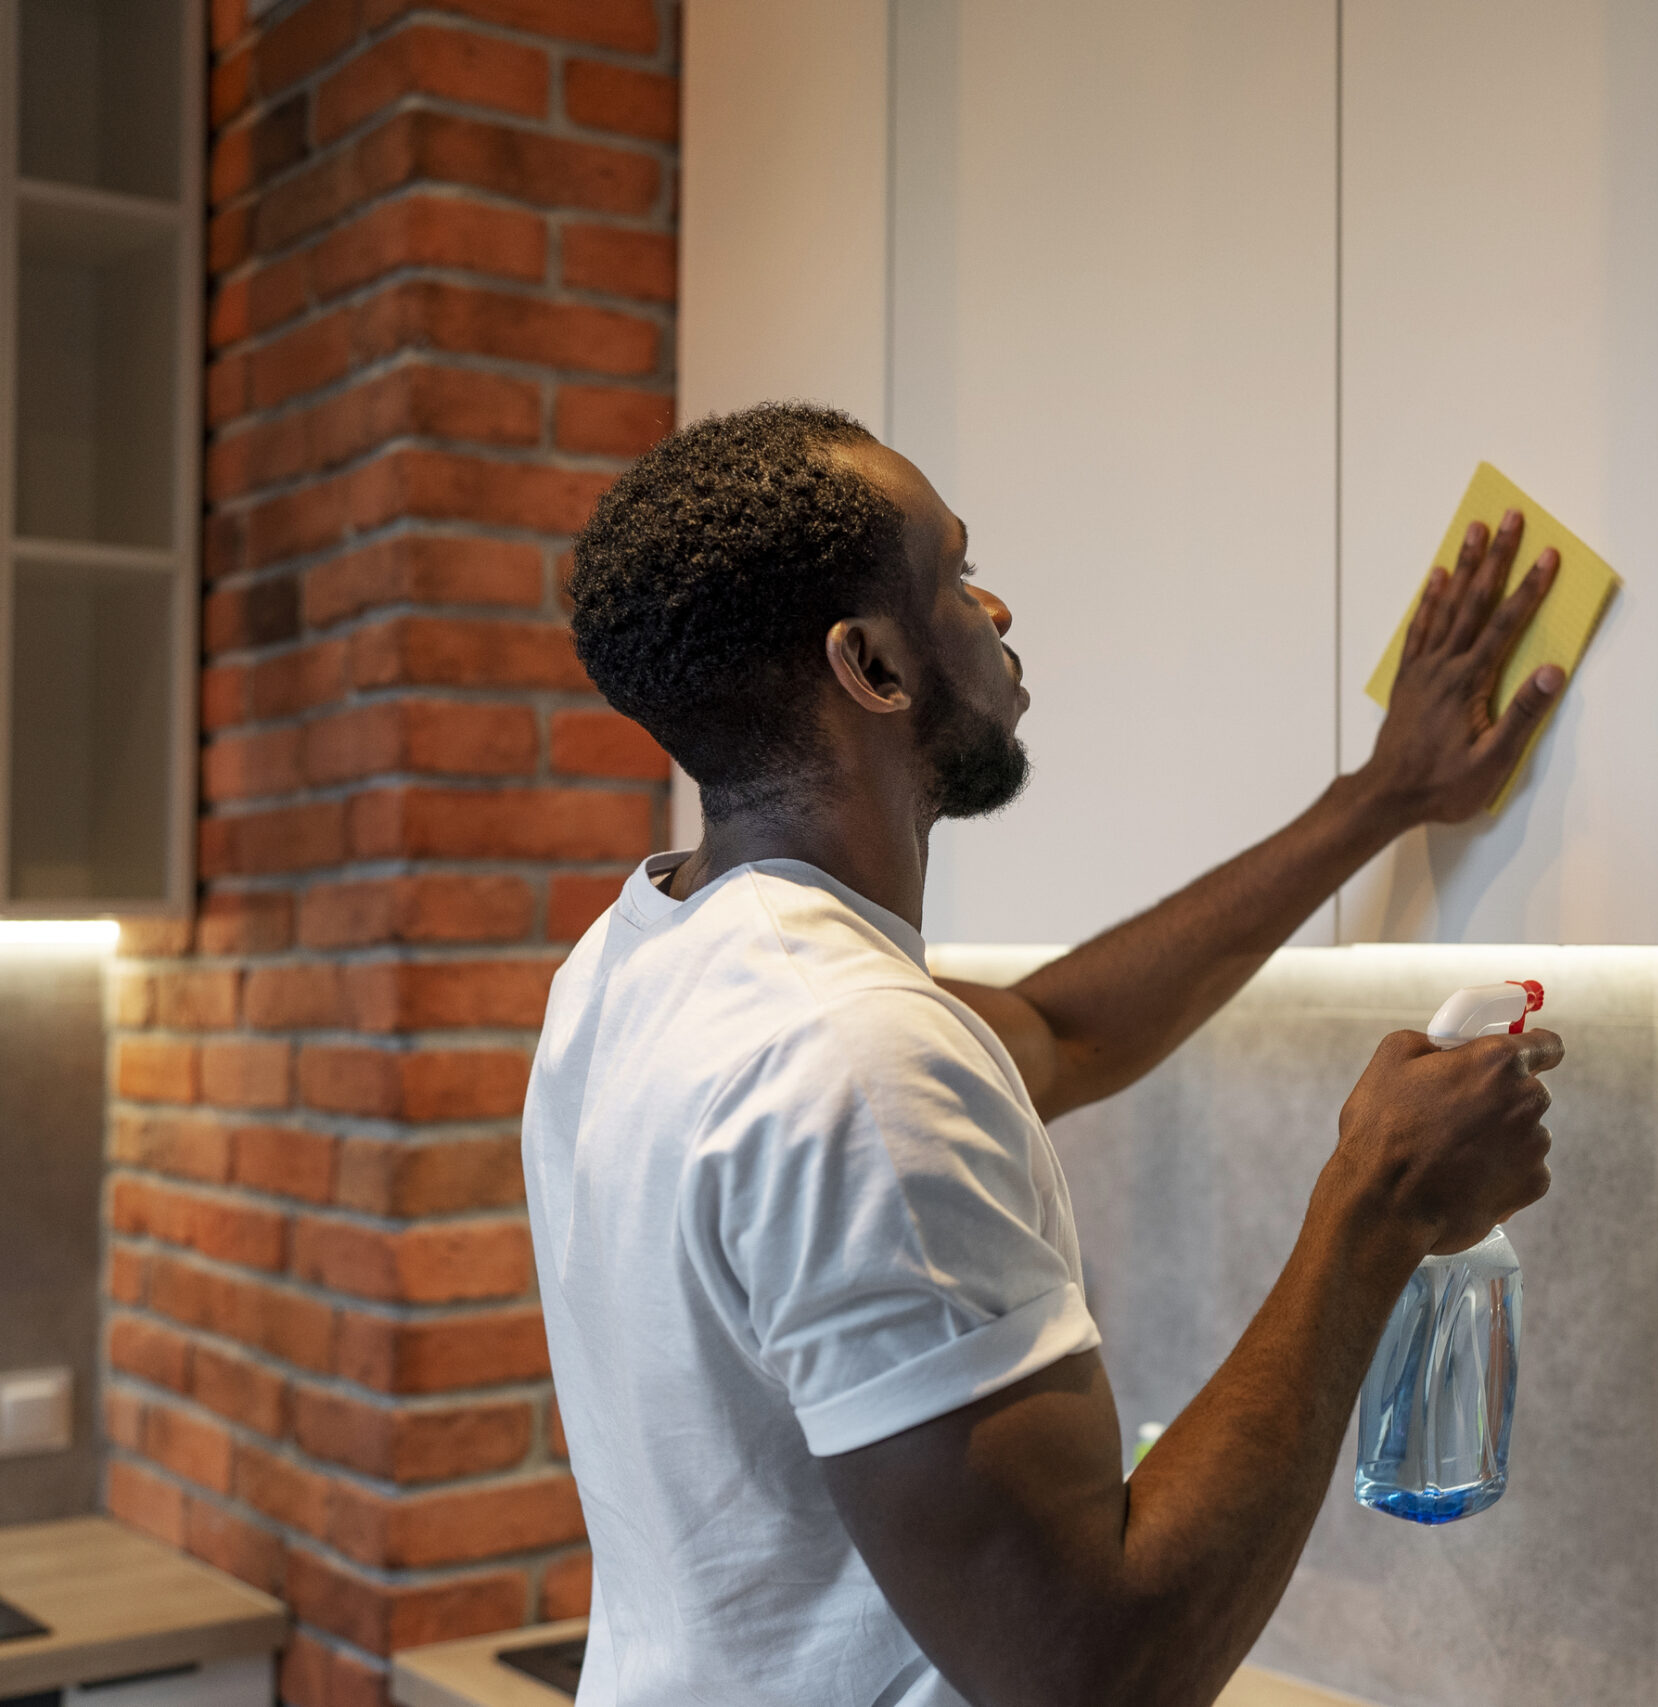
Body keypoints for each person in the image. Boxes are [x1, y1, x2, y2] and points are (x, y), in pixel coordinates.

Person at [527, 401, 1567, 1707]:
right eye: (955, 576)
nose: (998, 607)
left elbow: (1062, 1032)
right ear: (874, 668)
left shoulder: (643, 964)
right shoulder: (847, 1055)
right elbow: (1095, 1673)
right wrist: (1381, 1204)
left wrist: (1383, 796)